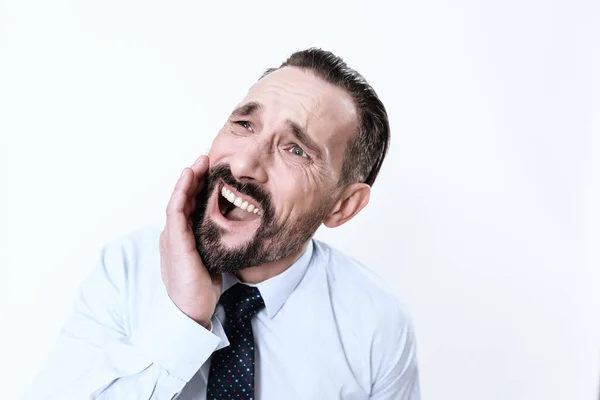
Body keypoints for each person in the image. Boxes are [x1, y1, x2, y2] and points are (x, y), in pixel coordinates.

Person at [25, 48, 420, 399]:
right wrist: (183, 318)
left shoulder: (376, 324)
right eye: (245, 125)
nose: (245, 164)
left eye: (295, 150)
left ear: (343, 206)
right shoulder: (127, 268)